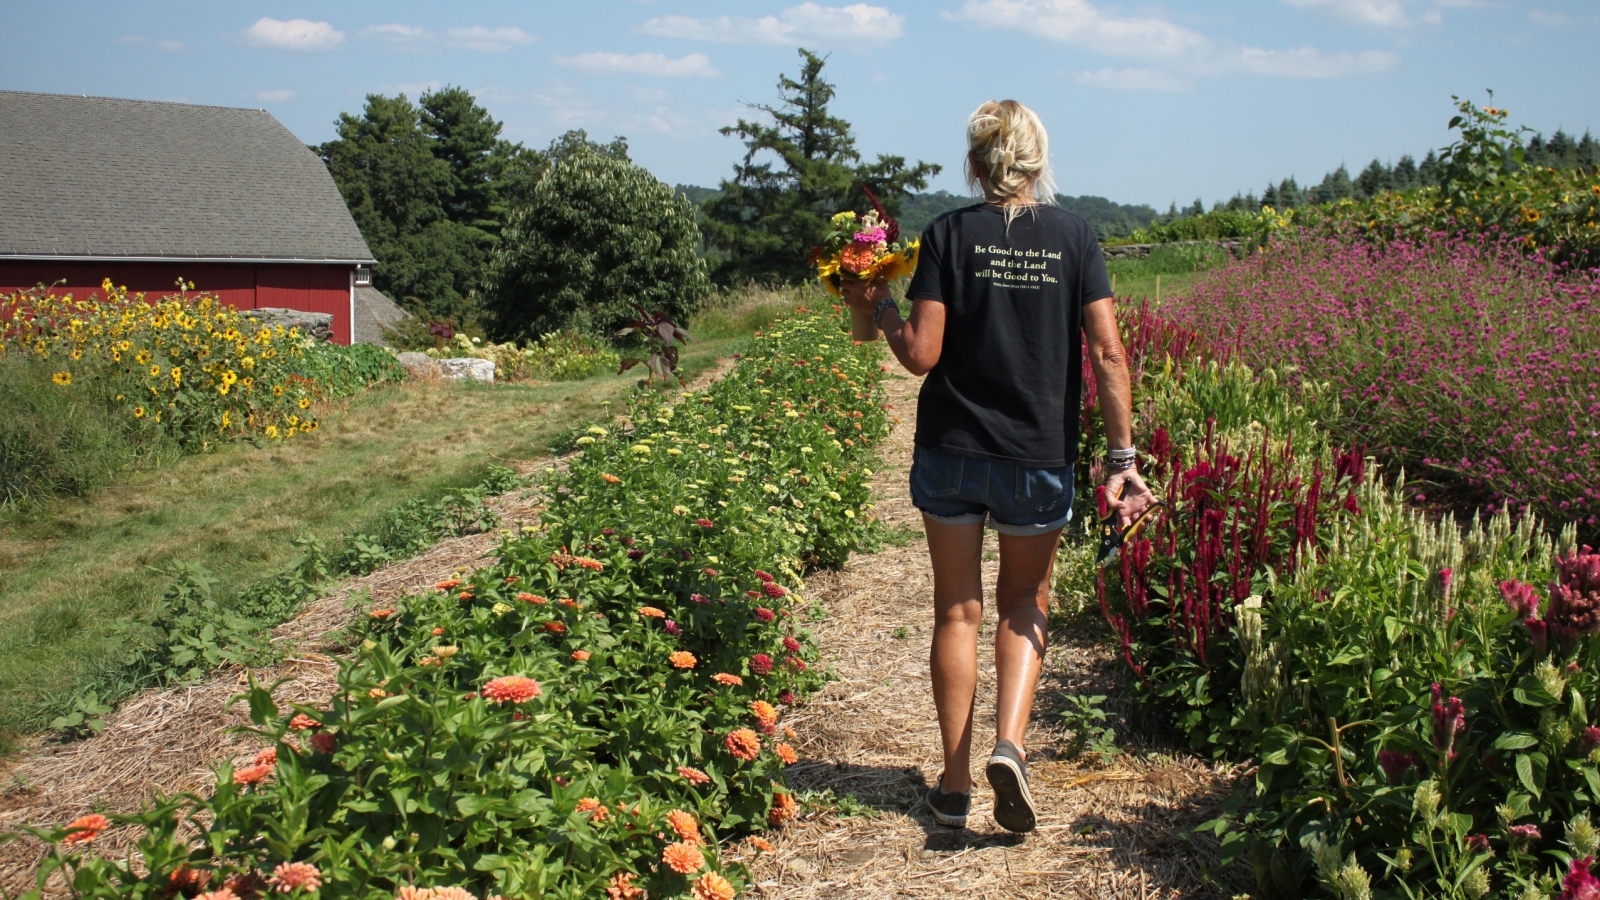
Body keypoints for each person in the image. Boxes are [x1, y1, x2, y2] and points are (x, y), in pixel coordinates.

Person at [839, 99, 1155, 833]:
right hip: (1036, 455)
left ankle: (953, 787)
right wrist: (1122, 460)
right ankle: (1009, 746)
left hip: (951, 450)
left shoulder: (949, 233)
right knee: (1023, 602)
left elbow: (921, 355)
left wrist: (881, 305)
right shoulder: (1076, 237)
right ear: (1038, 164)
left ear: (975, 164)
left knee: (957, 609)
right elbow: (1109, 353)